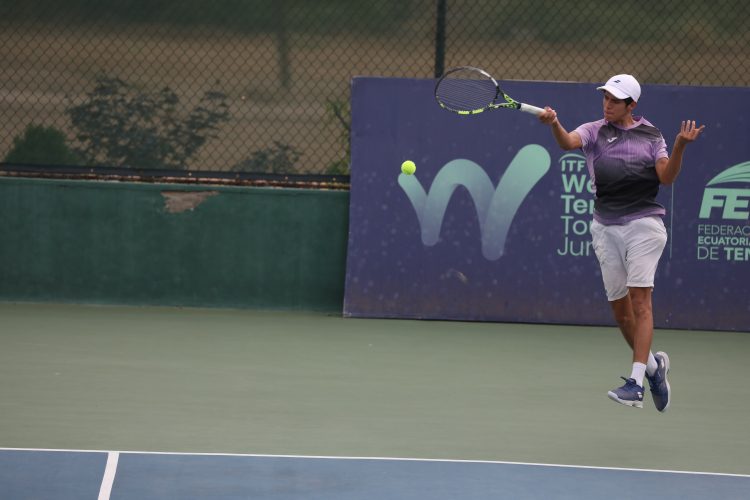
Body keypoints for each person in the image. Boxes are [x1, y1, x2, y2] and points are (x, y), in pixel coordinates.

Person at [538, 74, 704, 411]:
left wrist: (679, 146)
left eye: (615, 100)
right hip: (605, 227)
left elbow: (666, 177)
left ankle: (636, 384)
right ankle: (654, 370)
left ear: (632, 105)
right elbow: (567, 142)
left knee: (641, 302)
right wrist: (554, 123)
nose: (608, 104)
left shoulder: (651, 134)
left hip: (644, 225)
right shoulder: (593, 130)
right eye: (605, 98)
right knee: (622, 314)